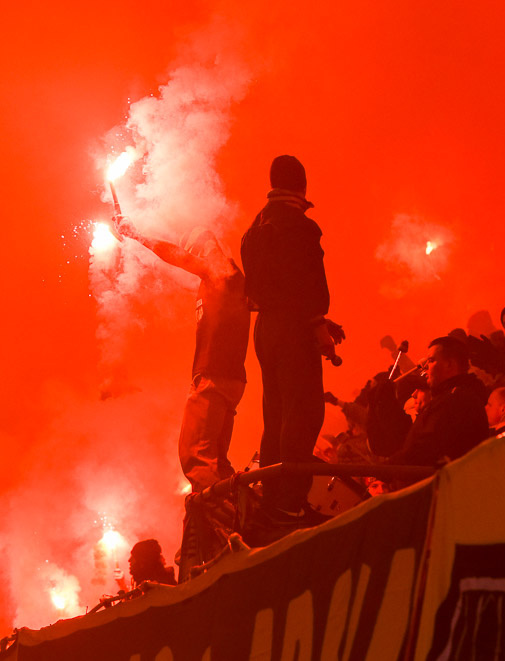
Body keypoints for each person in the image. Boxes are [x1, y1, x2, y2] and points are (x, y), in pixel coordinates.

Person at [241, 155, 344, 518]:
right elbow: (307, 282)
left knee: (276, 414)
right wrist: (318, 323)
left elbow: (265, 286)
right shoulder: (300, 226)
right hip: (293, 328)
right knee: (304, 413)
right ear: (302, 185)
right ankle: (291, 504)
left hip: (265, 329)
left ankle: (272, 498)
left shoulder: (254, 227)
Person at [116, 222, 249, 493]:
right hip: (230, 380)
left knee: (196, 457)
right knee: (218, 462)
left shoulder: (220, 270)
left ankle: (219, 522)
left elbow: (174, 255)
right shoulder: (229, 280)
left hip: (213, 378)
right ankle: (239, 514)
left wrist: (136, 232)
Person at [367, 336, 488, 468]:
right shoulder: (446, 399)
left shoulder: (457, 400)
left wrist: (382, 472)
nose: (425, 366)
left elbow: (421, 450)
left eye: (431, 360)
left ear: (450, 365)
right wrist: (382, 405)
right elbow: (405, 440)